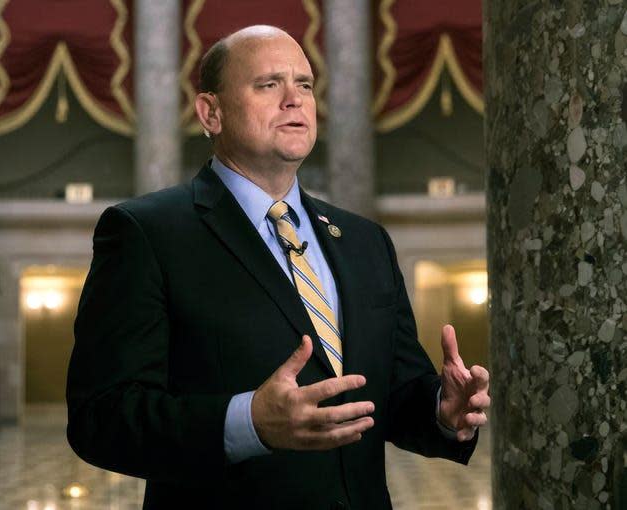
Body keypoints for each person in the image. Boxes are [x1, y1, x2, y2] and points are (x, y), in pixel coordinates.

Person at [66, 25, 490, 509]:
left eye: (305, 85)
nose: (295, 100)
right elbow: (100, 418)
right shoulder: (146, 233)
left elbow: (391, 395)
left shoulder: (364, 241)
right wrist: (248, 422)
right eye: (269, 84)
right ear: (211, 112)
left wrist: (442, 410)